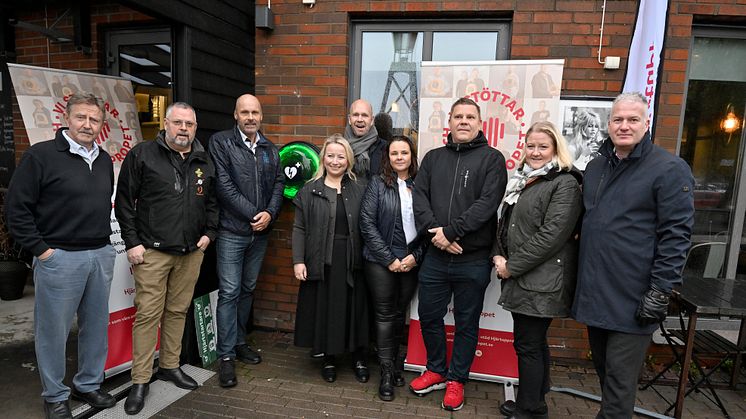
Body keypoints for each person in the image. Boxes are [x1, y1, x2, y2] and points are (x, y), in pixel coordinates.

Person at [572, 92, 694, 418]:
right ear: (609, 123)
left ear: (646, 123)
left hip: (634, 298)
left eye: (632, 119)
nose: (624, 126)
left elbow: (676, 236)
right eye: (618, 119)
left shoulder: (669, 169)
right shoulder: (597, 166)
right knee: (606, 376)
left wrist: (660, 291)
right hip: (596, 292)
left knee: (619, 383)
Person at [6, 93, 116, 419]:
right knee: (52, 332)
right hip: (60, 258)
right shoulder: (40, 156)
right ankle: (55, 395)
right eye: (81, 117)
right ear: (67, 118)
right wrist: (42, 251)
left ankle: (89, 383)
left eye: (94, 119)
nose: (87, 124)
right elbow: (16, 209)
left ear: (101, 124)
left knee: (95, 327)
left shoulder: (105, 158)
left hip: (100, 254)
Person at [115, 102, 219, 415]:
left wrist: (209, 235)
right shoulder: (143, 154)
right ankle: (141, 380)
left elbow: (212, 202)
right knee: (148, 314)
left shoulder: (203, 159)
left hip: (190, 252)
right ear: (166, 123)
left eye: (189, 124)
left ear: (195, 128)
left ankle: (170, 366)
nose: (184, 129)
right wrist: (132, 243)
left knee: (177, 311)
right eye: (178, 123)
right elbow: (124, 202)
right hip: (153, 253)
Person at [410, 97, 507, 411]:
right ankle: (436, 369)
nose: (463, 121)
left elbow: (487, 205)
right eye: (458, 117)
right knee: (428, 315)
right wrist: (436, 235)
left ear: (480, 123)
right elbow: (420, 199)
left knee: (467, 322)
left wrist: (450, 232)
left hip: (473, 258)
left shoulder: (492, 159)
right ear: (448, 122)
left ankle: (456, 379)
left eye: (470, 117)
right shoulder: (433, 158)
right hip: (436, 257)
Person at [492, 121, 583, 419]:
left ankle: (529, 408)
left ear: (556, 148)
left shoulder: (564, 183)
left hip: (540, 280)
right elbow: (506, 223)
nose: (535, 152)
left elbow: (552, 236)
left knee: (528, 344)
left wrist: (512, 267)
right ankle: (536, 399)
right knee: (533, 342)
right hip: (524, 276)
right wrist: (498, 255)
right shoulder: (525, 179)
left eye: (543, 146)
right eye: (531, 146)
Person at [208, 94, 284, 388]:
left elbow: (279, 184)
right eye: (245, 112)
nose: (250, 117)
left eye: (255, 112)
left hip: (260, 234)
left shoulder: (269, 148)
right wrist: (256, 213)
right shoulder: (221, 142)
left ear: (261, 116)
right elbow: (223, 186)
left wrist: (270, 213)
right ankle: (226, 356)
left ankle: (239, 342)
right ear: (235, 115)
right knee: (229, 291)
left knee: (248, 289)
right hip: (231, 232)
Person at [292, 134, 369, 384]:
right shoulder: (309, 190)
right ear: (323, 157)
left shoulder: (360, 188)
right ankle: (329, 359)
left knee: (355, 309)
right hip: (323, 259)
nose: (335, 161)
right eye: (331, 155)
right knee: (328, 309)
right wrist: (298, 260)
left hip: (354, 259)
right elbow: (299, 228)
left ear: (348, 160)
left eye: (341, 156)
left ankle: (358, 357)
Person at [360, 135, 426, 401]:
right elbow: (366, 223)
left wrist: (415, 256)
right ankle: (386, 372)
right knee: (385, 315)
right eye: (394, 153)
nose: (399, 157)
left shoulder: (422, 185)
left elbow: (428, 228)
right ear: (387, 157)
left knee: (400, 315)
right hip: (380, 260)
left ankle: (396, 362)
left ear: (412, 156)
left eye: (404, 153)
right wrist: (389, 258)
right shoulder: (377, 184)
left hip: (410, 259)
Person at [344, 99, 386, 179]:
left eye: (364, 115)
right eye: (355, 115)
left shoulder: (385, 149)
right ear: (349, 119)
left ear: (372, 120)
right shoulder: (339, 148)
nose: (360, 119)